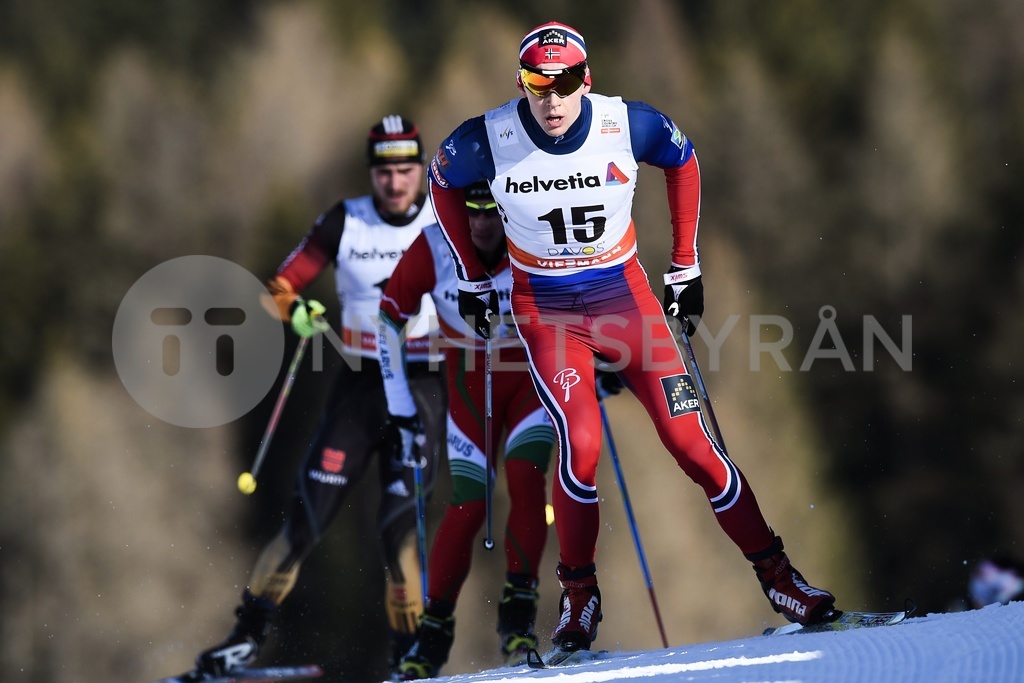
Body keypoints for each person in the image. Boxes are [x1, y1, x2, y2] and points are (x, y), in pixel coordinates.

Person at [425, 21, 837, 654]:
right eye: (538, 82)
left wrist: (685, 264)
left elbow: (683, 161)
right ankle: (579, 596)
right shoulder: (489, 137)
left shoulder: (626, 123)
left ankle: (782, 581)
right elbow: (442, 182)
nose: (553, 98)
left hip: (626, 304)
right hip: (549, 314)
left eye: (565, 82)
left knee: (695, 447)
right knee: (582, 447)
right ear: (522, 83)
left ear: (586, 79)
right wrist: (471, 278)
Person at [186, 115, 447, 680]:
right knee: (304, 521)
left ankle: (410, 656)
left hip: (422, 383)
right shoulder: (345, 220)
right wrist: (296, 310)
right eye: (384, 171)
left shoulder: (442, 217)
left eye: (406, 169)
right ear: (371, 173)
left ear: (421, 169)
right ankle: (244, 639)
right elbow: (276, 291)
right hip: (359, 385)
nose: (395, 182)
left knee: (399, 532)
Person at [378, 180, 557, 679]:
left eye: (491, 212)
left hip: (528, 382)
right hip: (468, 389)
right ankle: (431, 636)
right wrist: (399, 406)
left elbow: (581, 292)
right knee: (469, 503)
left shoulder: (531, 234)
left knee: (526, 480)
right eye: (471, 211)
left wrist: (597, 364)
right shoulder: (435, 246)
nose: (480, 223)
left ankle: (518, 618)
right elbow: (389, 320)